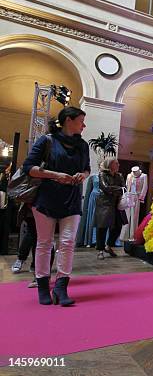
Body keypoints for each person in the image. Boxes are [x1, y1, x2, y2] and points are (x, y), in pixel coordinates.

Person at [22, 106, 90, 306]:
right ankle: (43, 286)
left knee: (68, 243)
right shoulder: (47, 140)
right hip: (47, 198)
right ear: (68, 120)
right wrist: (55, 175)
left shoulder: (83, 145)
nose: (84, 125)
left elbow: (87, 169)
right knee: (44, 243)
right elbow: (29, 168)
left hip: (72, 197)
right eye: (81, 121)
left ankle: (61, 286)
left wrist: (82, 176)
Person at [94, 158, 125, 260]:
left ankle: (109, 246)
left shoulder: (119, 175)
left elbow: (124, 188)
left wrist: (115, 190)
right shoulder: (102, 174)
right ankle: (100, 250)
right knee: (102, 227)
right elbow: (105, 187)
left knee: (118, 226)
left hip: (117, 203)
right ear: (110, 165)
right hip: (105, 203)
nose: (119, 165)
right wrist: (118, 189)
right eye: (116, 163)